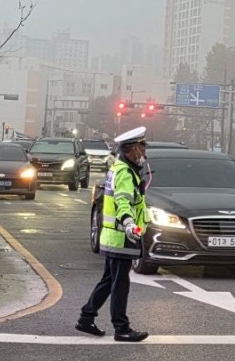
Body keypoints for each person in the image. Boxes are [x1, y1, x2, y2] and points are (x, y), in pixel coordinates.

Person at [76, 126, 150, 342]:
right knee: (120, 284)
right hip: (121, 237)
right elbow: (123, 202)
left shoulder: (119, 168)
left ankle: (86, 318)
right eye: (143, 147)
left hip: (111, 236)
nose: (145, 152)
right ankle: (122, 328)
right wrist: (129, 224)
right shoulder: (126, 173)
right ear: (133, 150)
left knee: (109, 281)